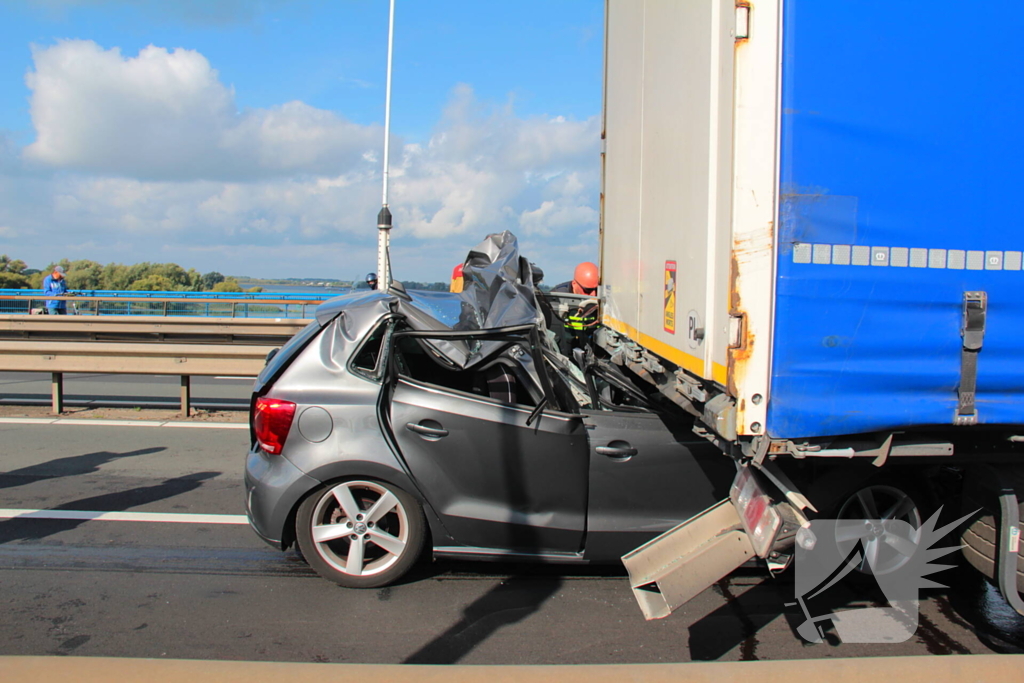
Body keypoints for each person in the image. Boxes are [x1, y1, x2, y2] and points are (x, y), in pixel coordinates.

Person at [550, 262, 600, 353]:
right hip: (565, 350)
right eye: (587, 290)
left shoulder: (604, 296)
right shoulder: (556, 299)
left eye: (597, 289)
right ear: (574, 284)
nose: (594, 294)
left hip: (594, 349)